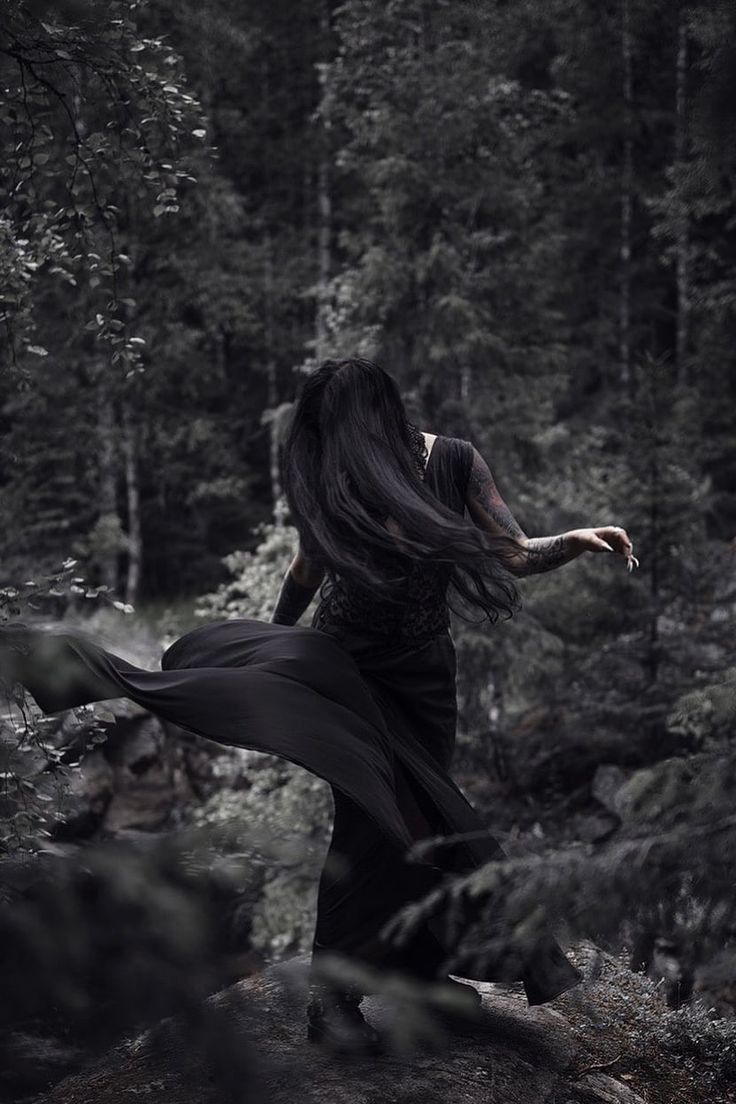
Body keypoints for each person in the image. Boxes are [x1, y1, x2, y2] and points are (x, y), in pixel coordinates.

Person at [0, 357, 637, 1055]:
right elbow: (306, 570)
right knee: (375, 827)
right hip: (346, 675)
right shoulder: (341, 481)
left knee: (423, 829)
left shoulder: (455, 461)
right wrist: (274, 641)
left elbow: (512, 554)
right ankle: (330, 1002)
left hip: (425, 679)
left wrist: (574, 541)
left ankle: (419, 975)